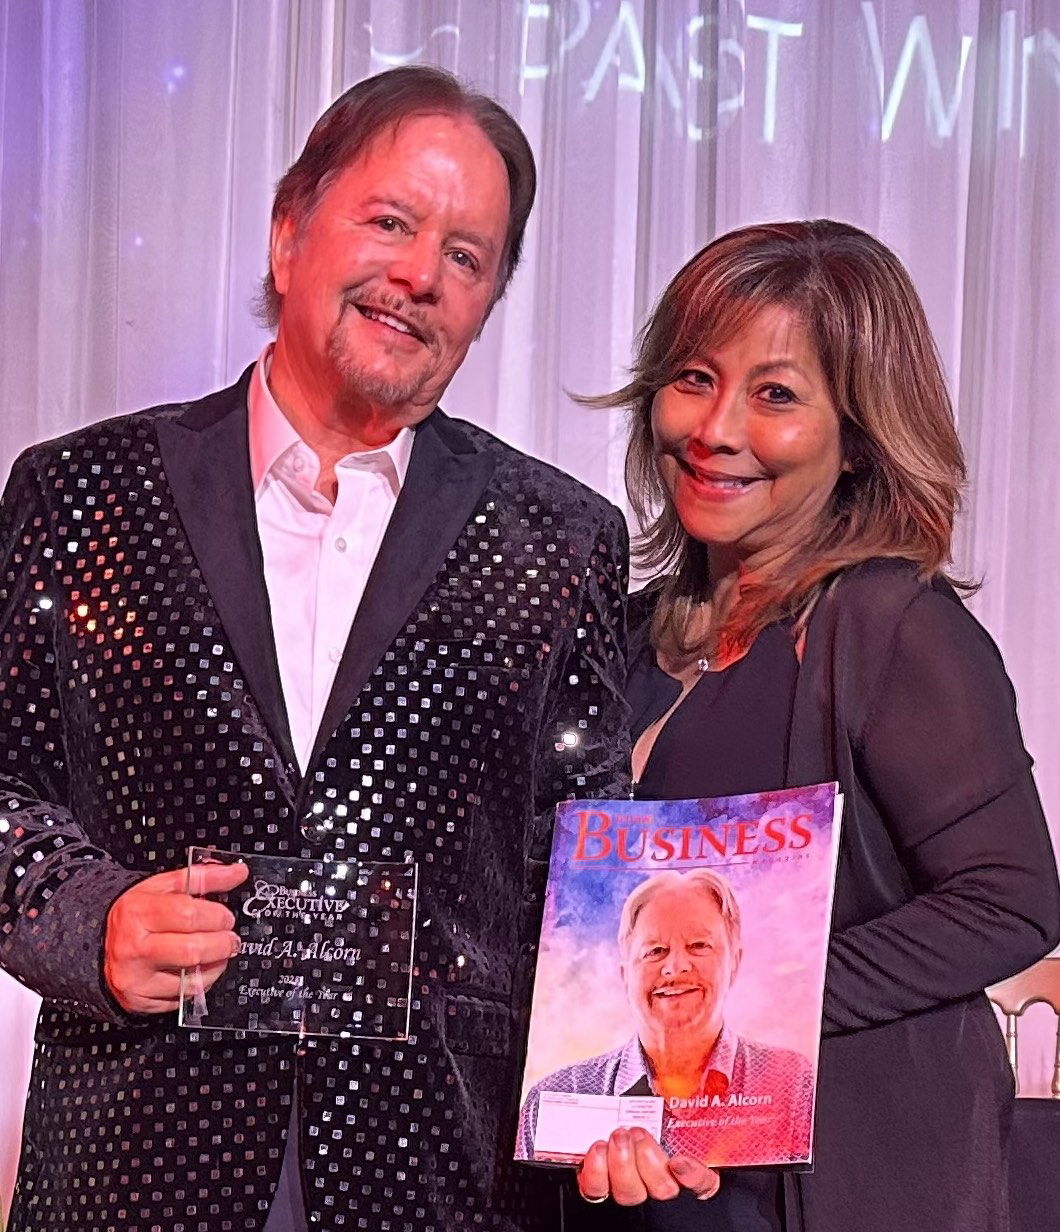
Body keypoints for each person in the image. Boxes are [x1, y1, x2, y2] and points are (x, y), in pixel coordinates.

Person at [0, 66, 630, 1232]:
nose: (418, 277)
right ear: (290, 230)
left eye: (466, 256)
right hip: (138, 1160)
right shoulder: (77, 492)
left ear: (488, 302)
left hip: (440, 1180)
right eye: (389, 221)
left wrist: (626, 1101)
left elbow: (591, 864)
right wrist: (89, 918)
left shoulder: (561, 538)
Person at [574, 220, 1060, 1232]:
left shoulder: (893, 629)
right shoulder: (619, 635)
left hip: (842, 1186)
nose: (715, 428)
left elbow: (1010, 899)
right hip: (648, 1181)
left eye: (777, 394)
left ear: (860, 433)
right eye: (694, 377)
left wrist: (755, 1005)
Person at [516, 867, 814, 1166]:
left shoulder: (792, 1082)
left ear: (734, 962)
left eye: (699, 946)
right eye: (655, 951)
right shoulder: (556, 1097)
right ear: (625, 975)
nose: (675, 967)